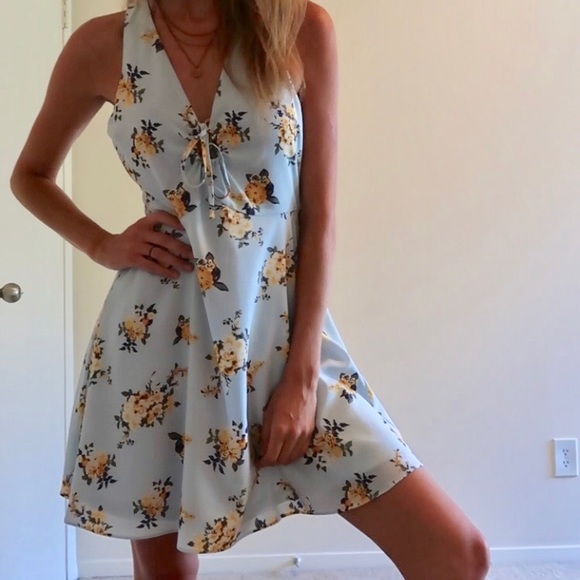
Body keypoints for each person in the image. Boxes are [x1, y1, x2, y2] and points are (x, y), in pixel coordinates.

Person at [10, 1, 490, 578]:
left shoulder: (299, 28)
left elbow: (318, 216)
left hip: (280, 343)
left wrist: (303, 377)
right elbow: (30, 175)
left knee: (456, 554)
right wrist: (101, 244)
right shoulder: (103, 44)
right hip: (155, 351)